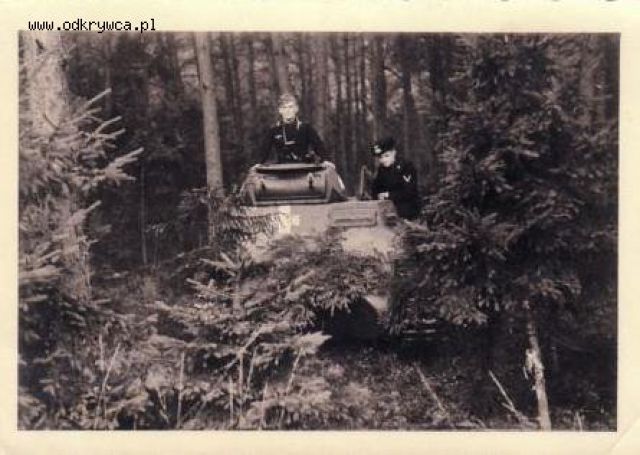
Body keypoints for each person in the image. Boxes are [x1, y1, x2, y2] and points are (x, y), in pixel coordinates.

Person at [259, 93, 327, 165]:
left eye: (290, 107)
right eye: (284, 108)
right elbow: (264, 152)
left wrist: (326, 160)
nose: (287, 110)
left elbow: (319, 148)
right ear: (280, 110)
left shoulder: (306, 128)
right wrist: (259, 163)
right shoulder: (274, 130)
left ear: (296, 109)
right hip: (282, 168)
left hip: (303, 167)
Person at [370, 137, 420, 220]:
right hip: (387, 211)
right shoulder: (382, 169)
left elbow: (409, 192)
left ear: (394, 153)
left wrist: (388, 195)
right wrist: (378, 195)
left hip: (407, 212)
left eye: (386, 156)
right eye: (380, 157)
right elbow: (376, 189)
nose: (383, 160)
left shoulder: (406, 167)